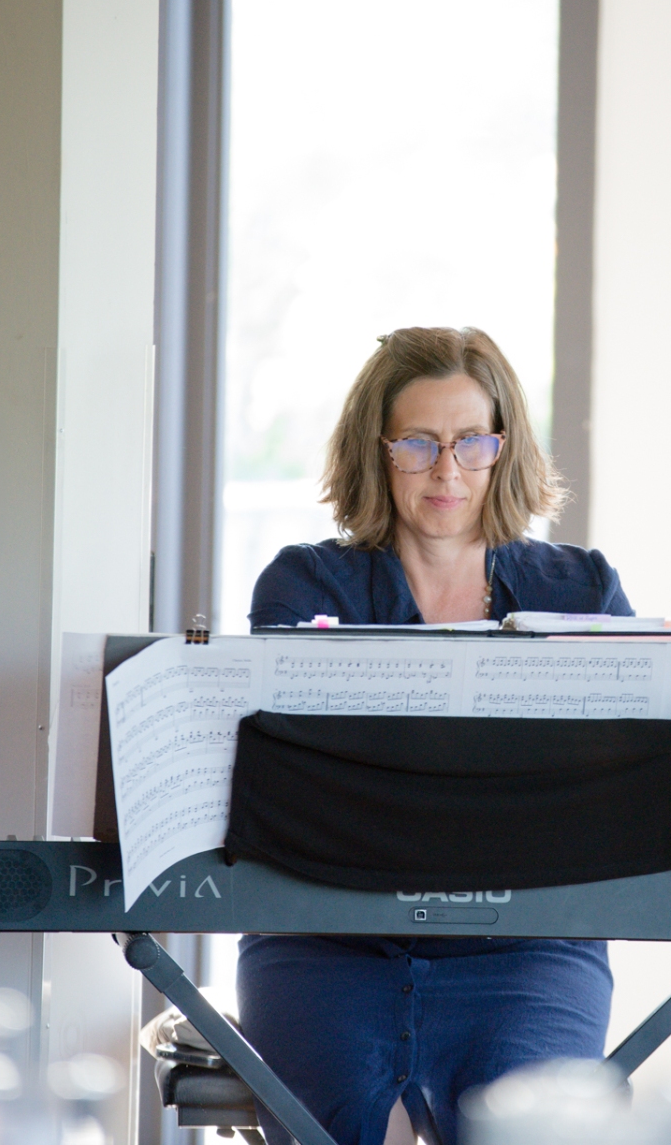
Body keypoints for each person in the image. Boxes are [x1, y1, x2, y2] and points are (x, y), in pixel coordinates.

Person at [238, 326, 635, 1145]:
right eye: (418, 443)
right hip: (326, 938)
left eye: (471, 442)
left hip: (526, 947)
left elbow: (621, 782)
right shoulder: (306, 586)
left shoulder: (582, 589)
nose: (447, 471)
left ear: (503, 448)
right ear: (377, 452)